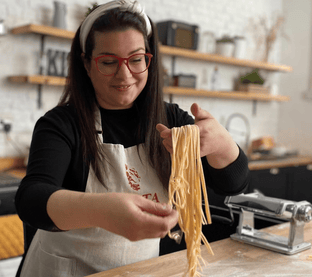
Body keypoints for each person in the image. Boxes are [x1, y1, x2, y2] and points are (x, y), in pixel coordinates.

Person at [15, 1, 249, 276]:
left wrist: (222, 144)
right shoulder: (62, 124)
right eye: (108, 62)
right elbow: (31, 199)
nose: (124, 74)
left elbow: (233, 183)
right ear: (87, 64)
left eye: (136, 60)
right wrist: (102, 211)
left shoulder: (169, 118)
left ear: (149, 60)